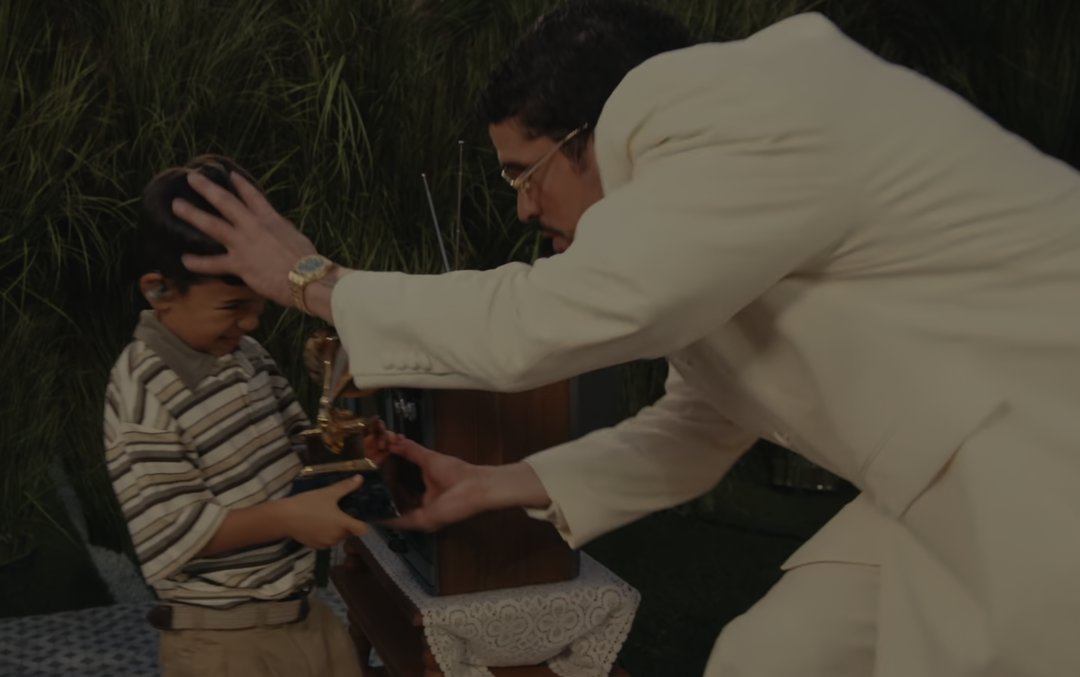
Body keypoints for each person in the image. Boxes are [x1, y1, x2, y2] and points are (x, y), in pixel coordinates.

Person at [173, 1, 1080, 675]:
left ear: (595, 135)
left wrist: (314, 281)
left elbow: (544, 318)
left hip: (1040, 449)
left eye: (525, 174)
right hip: (942, 469)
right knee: (766, 659)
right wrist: (500, 483)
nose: (525, 208)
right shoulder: (717, 217)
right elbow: (699, 420)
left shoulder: (717, 103)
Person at [103, 155, 370, 677]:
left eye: (259, 305)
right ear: (158, 290)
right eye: (232, 306)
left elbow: (299, 444)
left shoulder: (246, 354)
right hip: (225, 647)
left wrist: (352, 453)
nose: (250, 321)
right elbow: (175, 533)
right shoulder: (142, 391)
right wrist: (291, 519)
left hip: (306, 618)